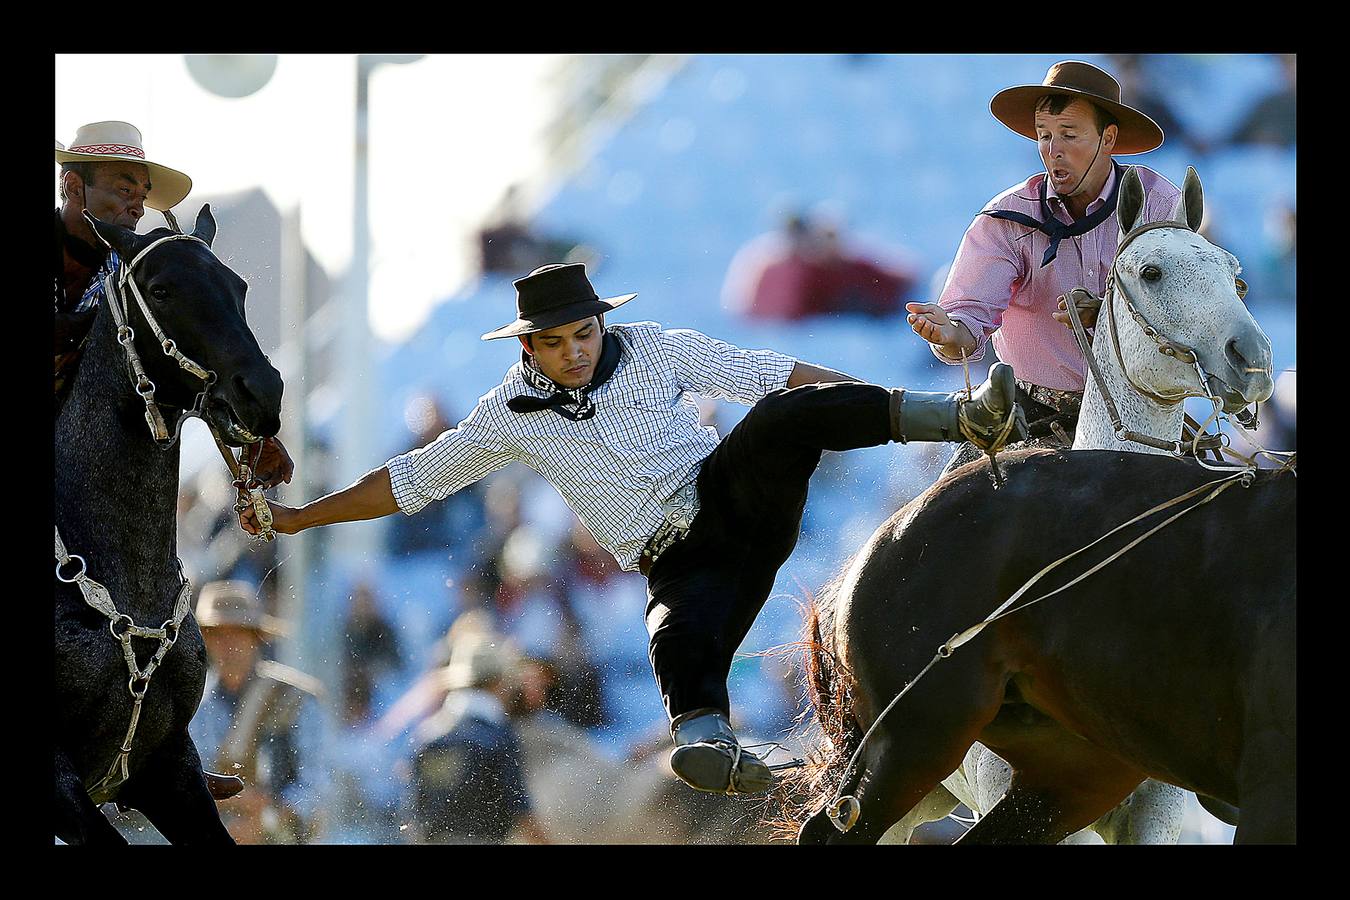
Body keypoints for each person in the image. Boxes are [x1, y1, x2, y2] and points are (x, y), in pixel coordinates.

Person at [239, 262, 1023, 795]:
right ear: (528, 347)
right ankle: (714, 744)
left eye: (583, 333)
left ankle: (962, 416)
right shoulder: (506, 417)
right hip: (677, 559)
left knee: (789, 408)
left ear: (599, 323)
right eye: (556, 342)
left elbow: (768, 375)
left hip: (733, 495)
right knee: (674, 633)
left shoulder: (655, 347)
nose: (576, 351)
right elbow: (410, 480)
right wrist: (305, 515)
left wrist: (876, 400)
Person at [905, 60, 1183, 472]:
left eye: (1069, 135)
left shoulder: (1158, 205)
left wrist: (1110, 318)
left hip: (1143, 420)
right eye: (1044, 135)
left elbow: (1181, 310)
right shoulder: (1005, 220)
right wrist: (948, 334)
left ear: (1108, 139)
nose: (1053, 150)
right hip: (1031, 418)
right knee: (958, 515)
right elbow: (968, 325)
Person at [55, 121, 294, 487]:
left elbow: (188, 357)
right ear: (74, 187)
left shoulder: (133, 279)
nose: (137, 207)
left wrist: (253, 431)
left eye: (142, 194)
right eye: (124, 190)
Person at [189, 580, 326, 843]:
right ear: (206, 640)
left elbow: (315, 788)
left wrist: (264, 820)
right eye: (217, 634)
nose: (227, 644)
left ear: (255, 637)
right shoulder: (194, 704)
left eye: (237, 633)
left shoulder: (296, 699)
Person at [405, 629, 551, 844]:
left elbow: (415, 813)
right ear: (498, 683)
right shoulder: (497, 738)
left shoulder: (427, 739)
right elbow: (521, 813)